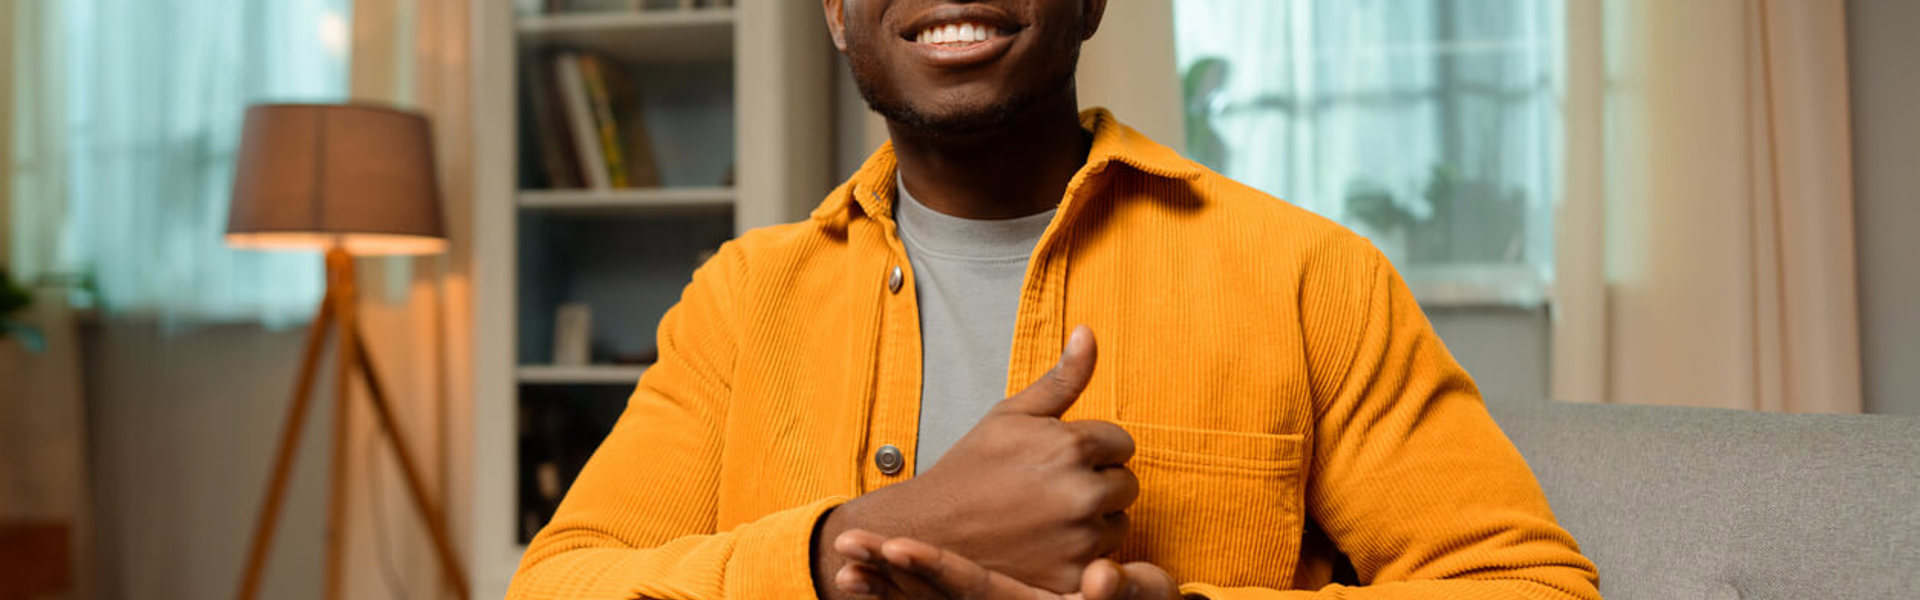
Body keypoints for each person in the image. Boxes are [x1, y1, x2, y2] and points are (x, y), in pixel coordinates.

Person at [508, 1, 1601, 598]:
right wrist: (852, 543)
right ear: (837, 12)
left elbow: (1523, 587)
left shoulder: (1310, 276)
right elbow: (563, 587)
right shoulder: (742, 302)